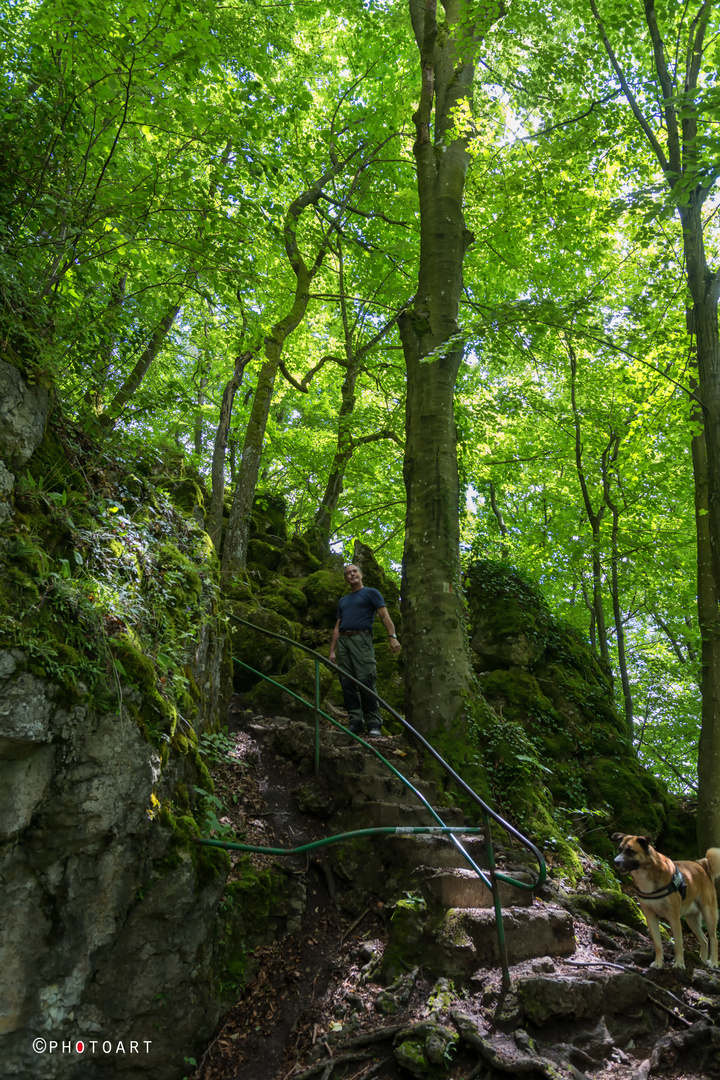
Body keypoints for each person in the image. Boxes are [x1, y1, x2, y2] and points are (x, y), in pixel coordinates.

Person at [329, 563, 401, 737]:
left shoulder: (371, 593)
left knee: (366, 680)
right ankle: (356, 722)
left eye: (354, 571)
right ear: (346, 578)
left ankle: (374, 722)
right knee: (346, 682)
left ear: (361, 574)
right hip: (344, 641)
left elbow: (384, 615)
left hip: (362, 640)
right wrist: (333, 650)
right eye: (348, 573)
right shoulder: (343, 601)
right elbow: (337, 626)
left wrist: (392, 636)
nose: (352, 574)